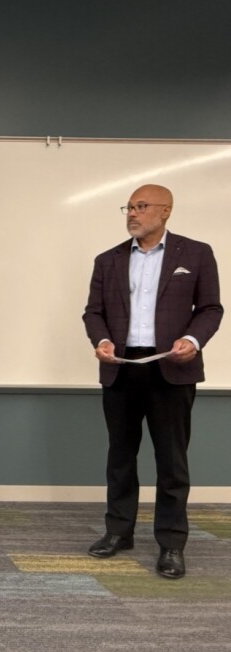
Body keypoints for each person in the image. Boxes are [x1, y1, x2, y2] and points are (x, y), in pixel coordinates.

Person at [82, 184, 222, 579]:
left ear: (166, 211)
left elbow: (211, 308)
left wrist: (193, 340)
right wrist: (103, 339)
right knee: (120, 457)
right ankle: (118, 532)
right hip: (122, 367)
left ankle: (172, 544)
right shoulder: (107, 260)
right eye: (129, 206)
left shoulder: (195, 253)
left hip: (171, 368)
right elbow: (93, 312)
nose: (132, 213)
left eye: (141, 206)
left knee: (172, 462)